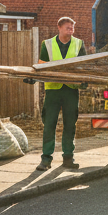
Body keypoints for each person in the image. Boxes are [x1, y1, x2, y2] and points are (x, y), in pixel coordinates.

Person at [37, 16, 85, 171]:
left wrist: (84, 80)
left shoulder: (79, 44)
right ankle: (46, 159)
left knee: (70, 124)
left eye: (72, 28)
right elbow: (42, 66)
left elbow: (84, 65)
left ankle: (68, 158)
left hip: (71, 90)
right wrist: (35, 77)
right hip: (53, 90)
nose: (71, 31)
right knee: (49, 124)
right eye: (68, 28)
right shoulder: (48, 44)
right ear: (59, 27)